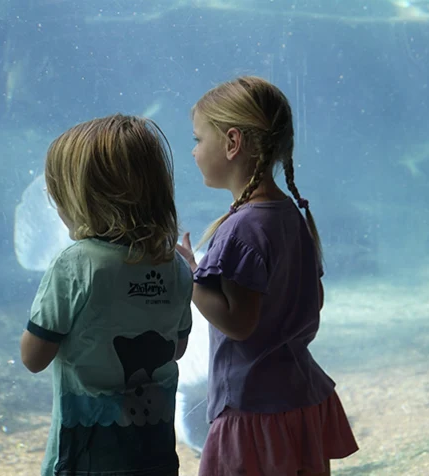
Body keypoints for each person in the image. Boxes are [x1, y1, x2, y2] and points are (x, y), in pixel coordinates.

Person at [176, 75, 359, 476]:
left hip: (254, 410)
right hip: (300, 397)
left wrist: (189, 278)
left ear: (232, 142)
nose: (193, 151)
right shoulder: (290, 216)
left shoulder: (241, 228)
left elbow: (239, 323)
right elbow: (314, 299)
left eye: (198, 139)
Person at [19, 113, 194, 476]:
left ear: (80, 200)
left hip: (85, 455)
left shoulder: (75, 265)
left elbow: (33, 357)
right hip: (154, 454)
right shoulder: (175, 265)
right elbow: (176, 348)